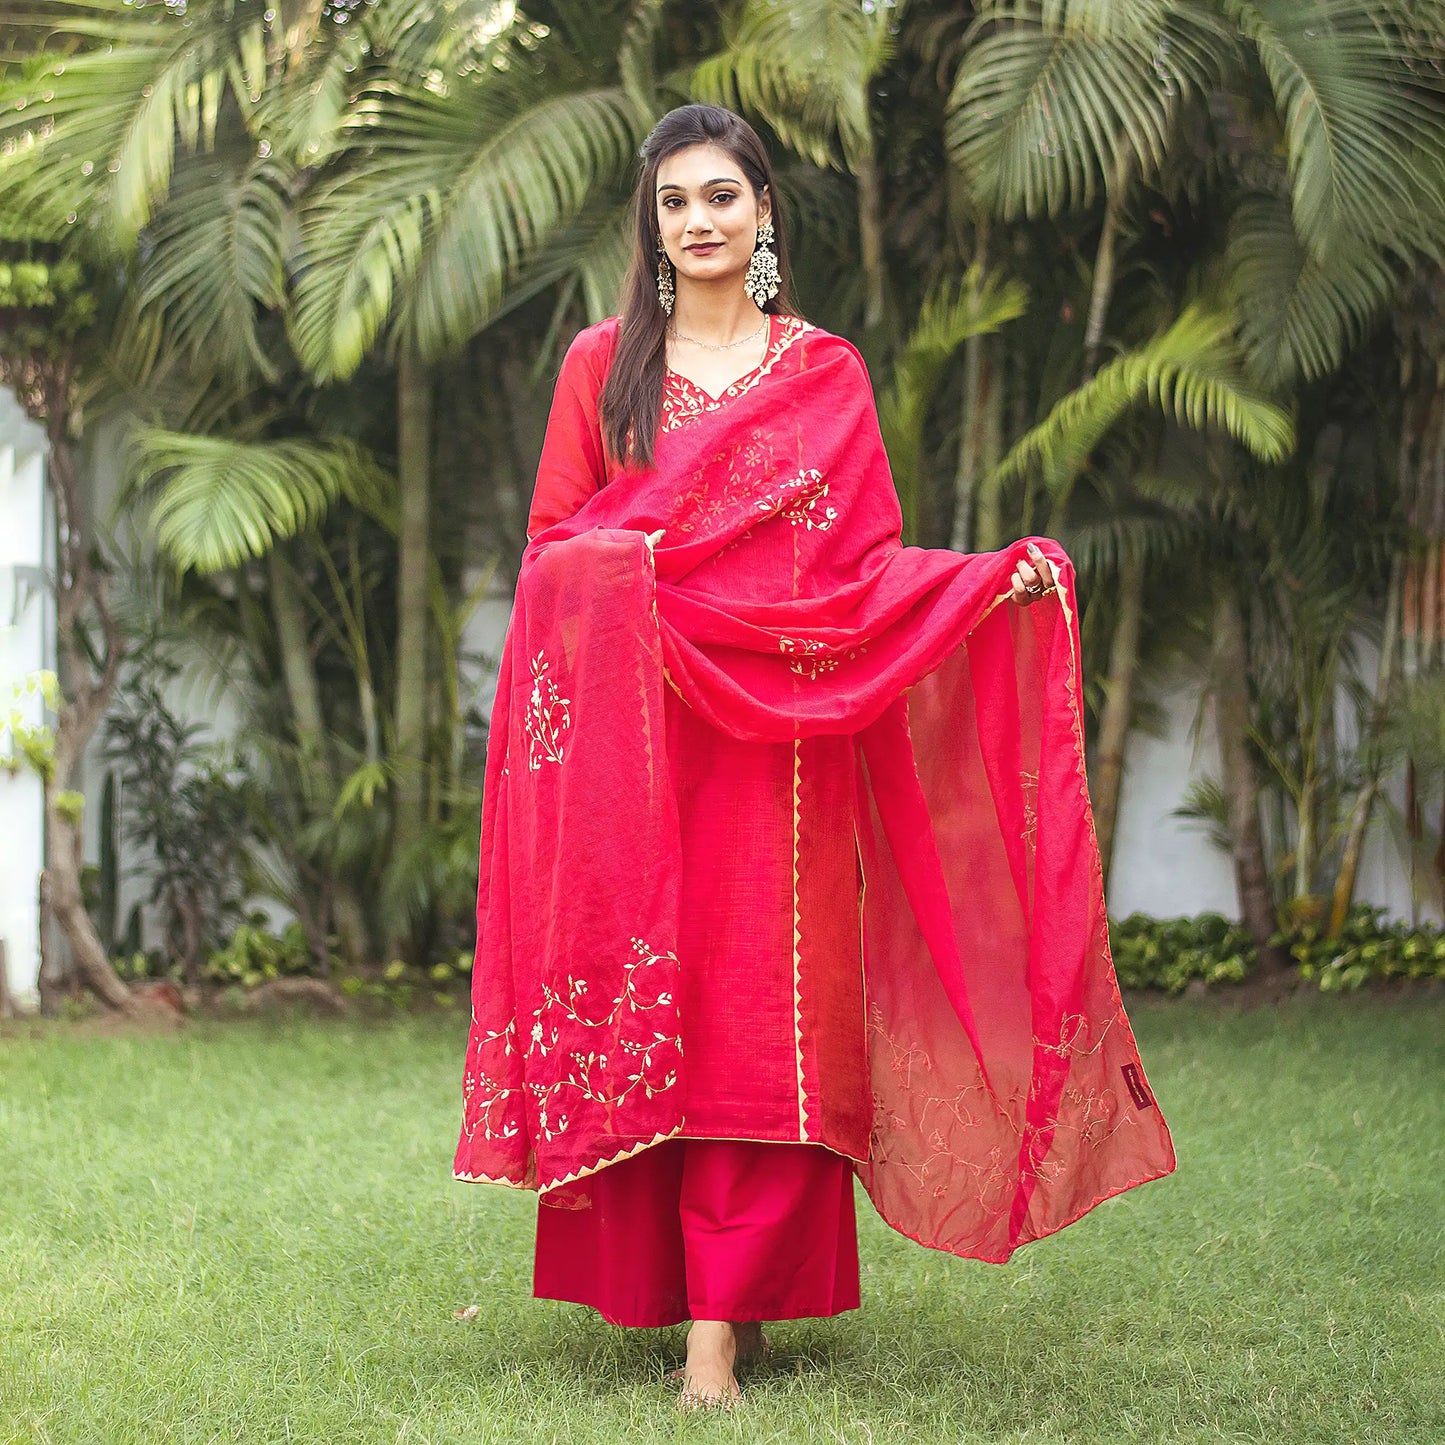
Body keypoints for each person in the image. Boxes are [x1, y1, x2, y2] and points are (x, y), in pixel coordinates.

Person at [454, 103, 1176, 1412]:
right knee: (659, 1011)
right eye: (674, 201)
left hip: (781, 759)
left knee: (755, 1023)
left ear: (764, 210)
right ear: (651, 224)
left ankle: (719, 1341)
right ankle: (696, 1300)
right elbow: (552, 550)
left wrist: (977, 588)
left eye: (720, 194)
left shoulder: (822, 373)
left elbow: (859, 569)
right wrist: (636, 569)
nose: (698, 220)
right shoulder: (601, 366)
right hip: (642, 747)